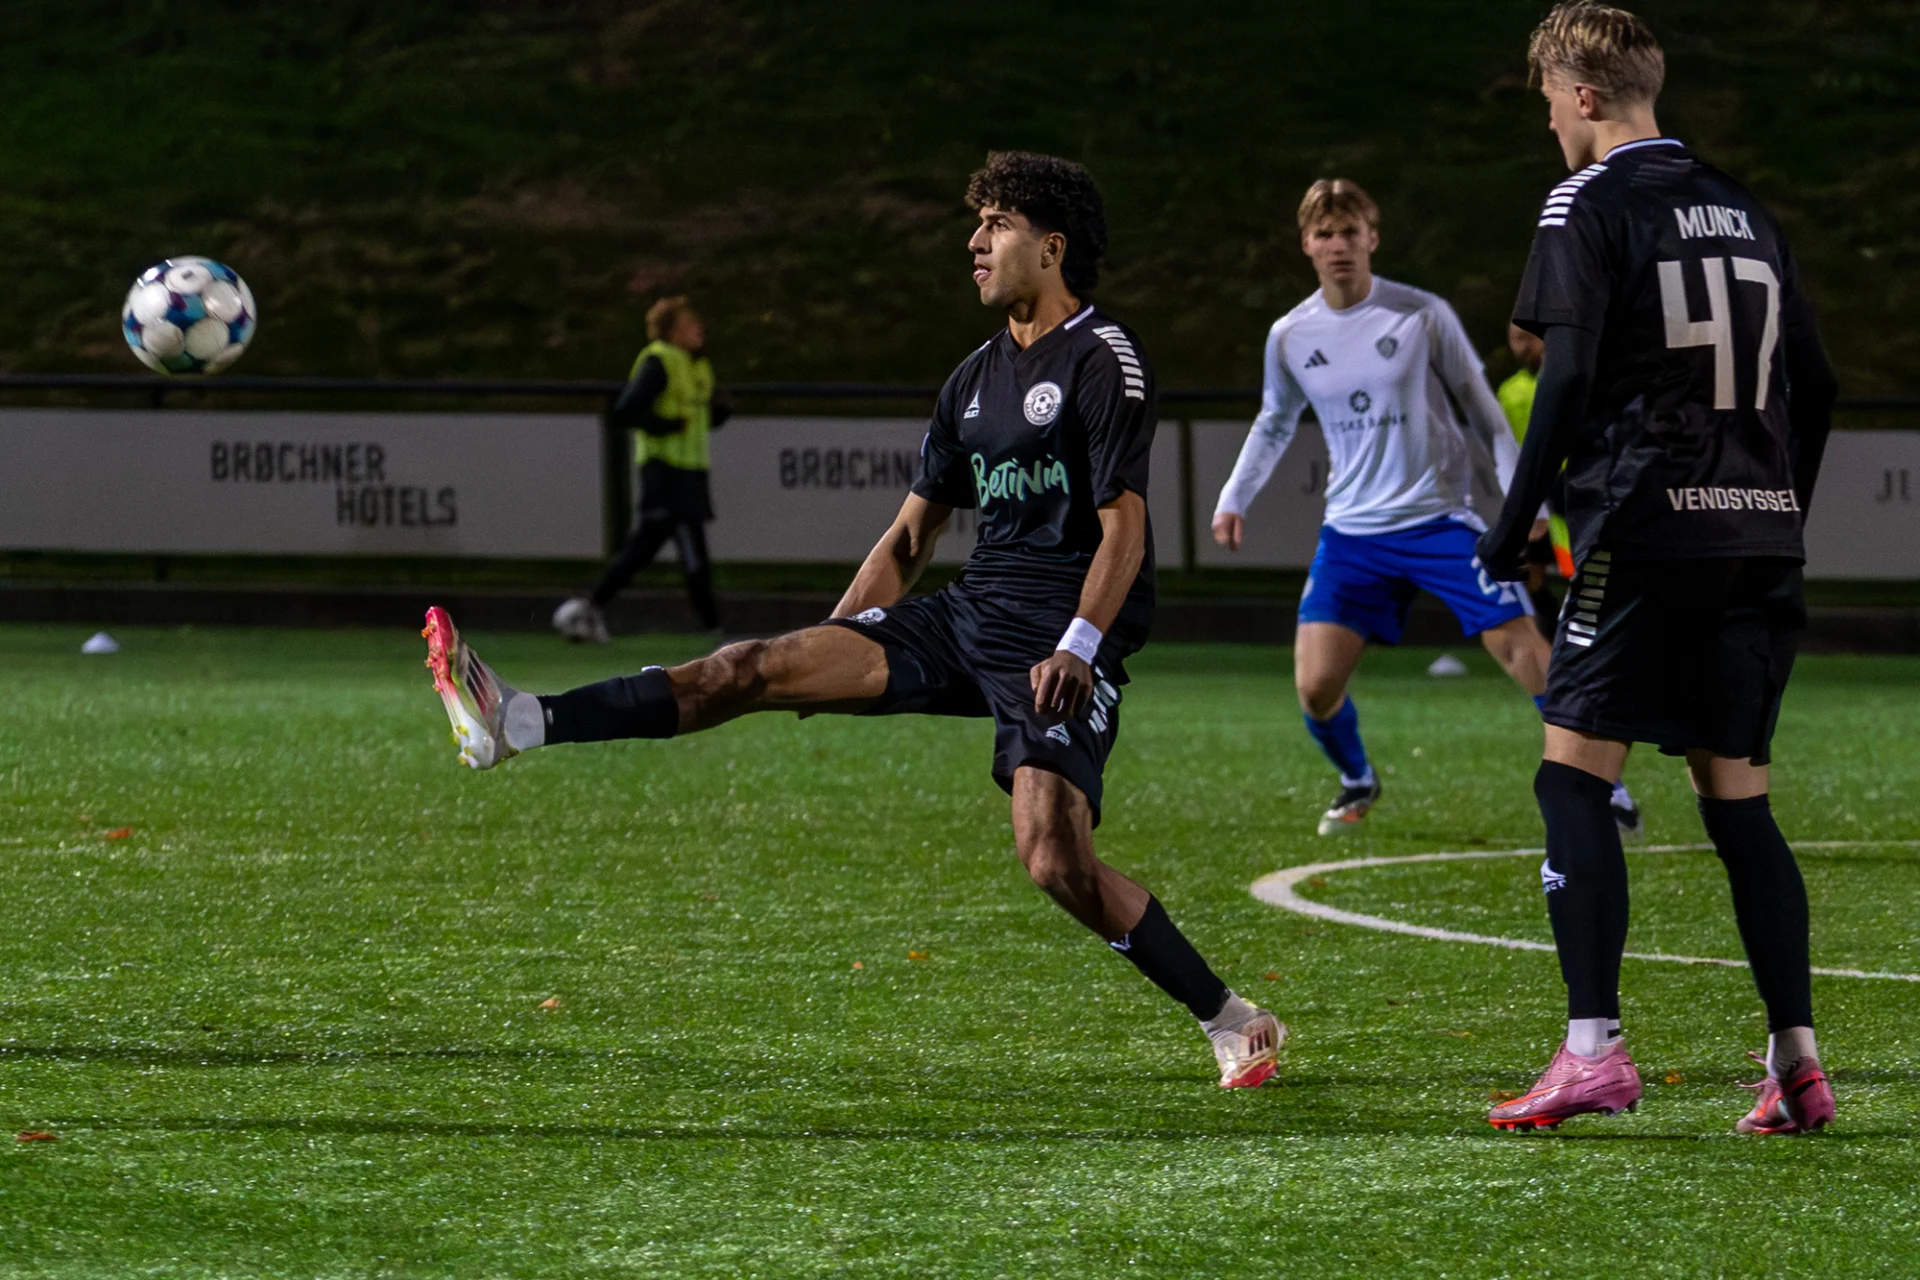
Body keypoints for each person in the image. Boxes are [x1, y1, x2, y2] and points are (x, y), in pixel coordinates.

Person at [423, 151, 1285, 1090]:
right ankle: (520, 721)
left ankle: (1231, 1018)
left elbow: (1126, 525)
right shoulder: (972, 379)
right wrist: (838, 644)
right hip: (968, 614)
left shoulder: (1102, 356)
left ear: (1052, 245)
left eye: (995, 224)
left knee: (1054, 859)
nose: (974, 242)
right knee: (748, 667)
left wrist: (1081, 645)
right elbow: (911, 538)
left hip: (1060, 638)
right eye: (977, 224)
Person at [1476, 2, 1838, 1134]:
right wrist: (1777, 503)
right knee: (1738, 801)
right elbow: (1819, 382)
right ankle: (1797, 1062)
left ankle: (1593, 1050)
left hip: (1645, 529)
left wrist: (1515, 521)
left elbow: (1568, 371)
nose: (1550, 124)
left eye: (1549, 102)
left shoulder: (1586, 200)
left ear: (1584, 95)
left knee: (1572, 778)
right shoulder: (1745, 205)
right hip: (1757, 537)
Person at [1212, 178, 1641, 837]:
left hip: (1440, 521)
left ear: (1372, 238)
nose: (1338, 245)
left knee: (1526, 653)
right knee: (1316, 689)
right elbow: (1274, 421)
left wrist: (1520, 500)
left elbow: (1483, 411)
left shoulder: (1420, 314)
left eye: (1350, 232)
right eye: (1325, 234)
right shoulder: (1290, 334)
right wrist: (1233, 497)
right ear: (1306, 244)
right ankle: (1358, 780)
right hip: (1352, 533)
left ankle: (1604, 785)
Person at [1499, 322, 1645, 837]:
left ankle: (1605, 794)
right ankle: (1605, 793)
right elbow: (1522, 457)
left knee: (1583, 661)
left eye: (1529, 335)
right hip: (1560, 523)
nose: (1522, 345)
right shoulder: (1512, 392)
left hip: (1600, 525)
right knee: (1570, 653)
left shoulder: (1591, 377)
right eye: (1515, 337)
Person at [554, 296, 732, 643]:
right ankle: (714, 628)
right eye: (690, 324)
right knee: (687, 551)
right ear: (672, 331)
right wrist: (666, 426)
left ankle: (587, 608)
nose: (699, 329)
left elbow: (693, 418)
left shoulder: (696, 366)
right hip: (666, 473)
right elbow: (626, 411)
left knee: (646, 549)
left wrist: (717, 414)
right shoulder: (660, 361)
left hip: (689, 473)